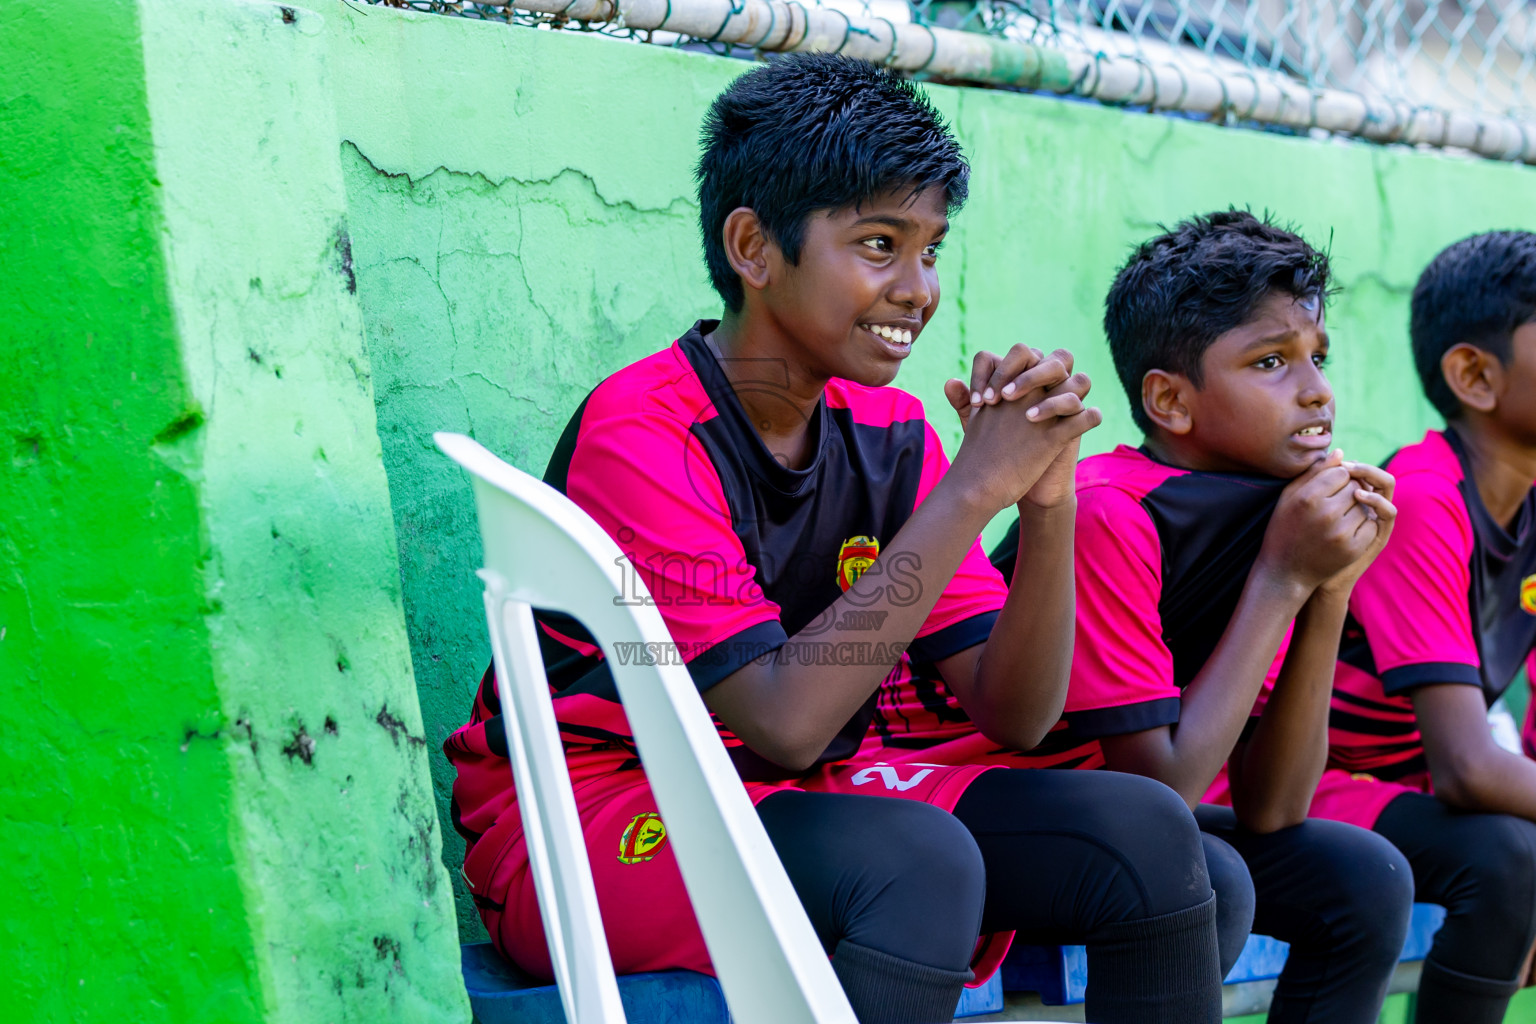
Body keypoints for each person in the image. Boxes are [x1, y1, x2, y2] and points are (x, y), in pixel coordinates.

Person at [445, 54, 1227, 1024]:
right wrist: (974, 487)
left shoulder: (887, 431)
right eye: (878, 245)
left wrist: (1044, 499)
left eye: (932, 249)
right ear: (753, 246)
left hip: (791, 791)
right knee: (916, 866)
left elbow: (1017, 711)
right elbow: (785, 717)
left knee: (1152, 838)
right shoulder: (647, 430)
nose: (918, 288)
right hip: (594, 815)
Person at [876, 210, 1417, 1022]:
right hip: (960, 794)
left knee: (1364, 878)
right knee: (1211, 876)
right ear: (1169, 399)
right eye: (1271, 362)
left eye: (1318, 358)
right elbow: (1158, 790)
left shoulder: (1271, 513)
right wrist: (1281, 578)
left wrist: (1328, 587)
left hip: (1111, 809)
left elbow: (1276, 808)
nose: (1317, 390)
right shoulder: (1111, 511)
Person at [1309, 230, 1536, 1024]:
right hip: (1306, 787)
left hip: (1405, 793)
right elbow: (1470, 769)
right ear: (1474, 374)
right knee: (1510, 860)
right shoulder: (1424, 500)